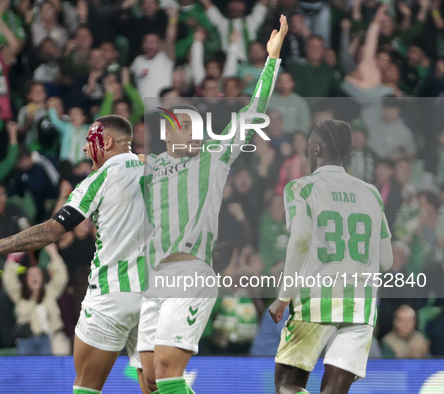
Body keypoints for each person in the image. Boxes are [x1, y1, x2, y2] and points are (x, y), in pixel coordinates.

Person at [137, 15, 287, 394]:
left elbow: (254, 109)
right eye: (174, 124)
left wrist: (271, 60)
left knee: (169, 373)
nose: (181, 129)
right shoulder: (150, 170)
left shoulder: (213, 157)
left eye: (188, 124)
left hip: (190, 273)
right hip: (151, 279)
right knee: (149, 380)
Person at [0, 115, 150, 394]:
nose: (86, 150)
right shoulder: (159, 169)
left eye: (90, 142)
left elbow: (50, 232)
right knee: (156, 385)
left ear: (108, 142)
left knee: (86, 386)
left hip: (113, 296)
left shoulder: (99, 179)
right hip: (154, 295)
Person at [268, 119, 394, 394]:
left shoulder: (301, 187)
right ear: (347, 153)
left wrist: (284, 296)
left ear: (315, 148)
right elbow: (387, 261)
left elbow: (301, 237)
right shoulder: (372, 193)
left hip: (317, 299)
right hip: (362, 305)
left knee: (287, 384)